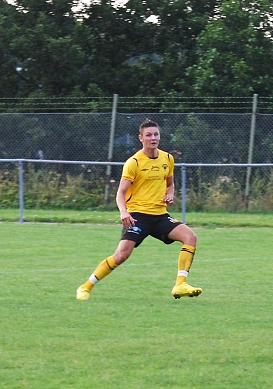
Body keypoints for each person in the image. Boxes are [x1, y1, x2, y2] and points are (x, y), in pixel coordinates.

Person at [76, 119, 201, 300]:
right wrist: (124, 212)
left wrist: (170, 194)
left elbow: (170, 185)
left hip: (160, 216)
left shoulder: (167, 158)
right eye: (149, 135)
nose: (153, 138)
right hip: (137, 217)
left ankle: (180, 284)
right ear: (140, 138)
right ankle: (85, 287)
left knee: (190, 237)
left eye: (156, 134)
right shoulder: (133, 162)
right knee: (121, 256)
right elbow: (121, 193)